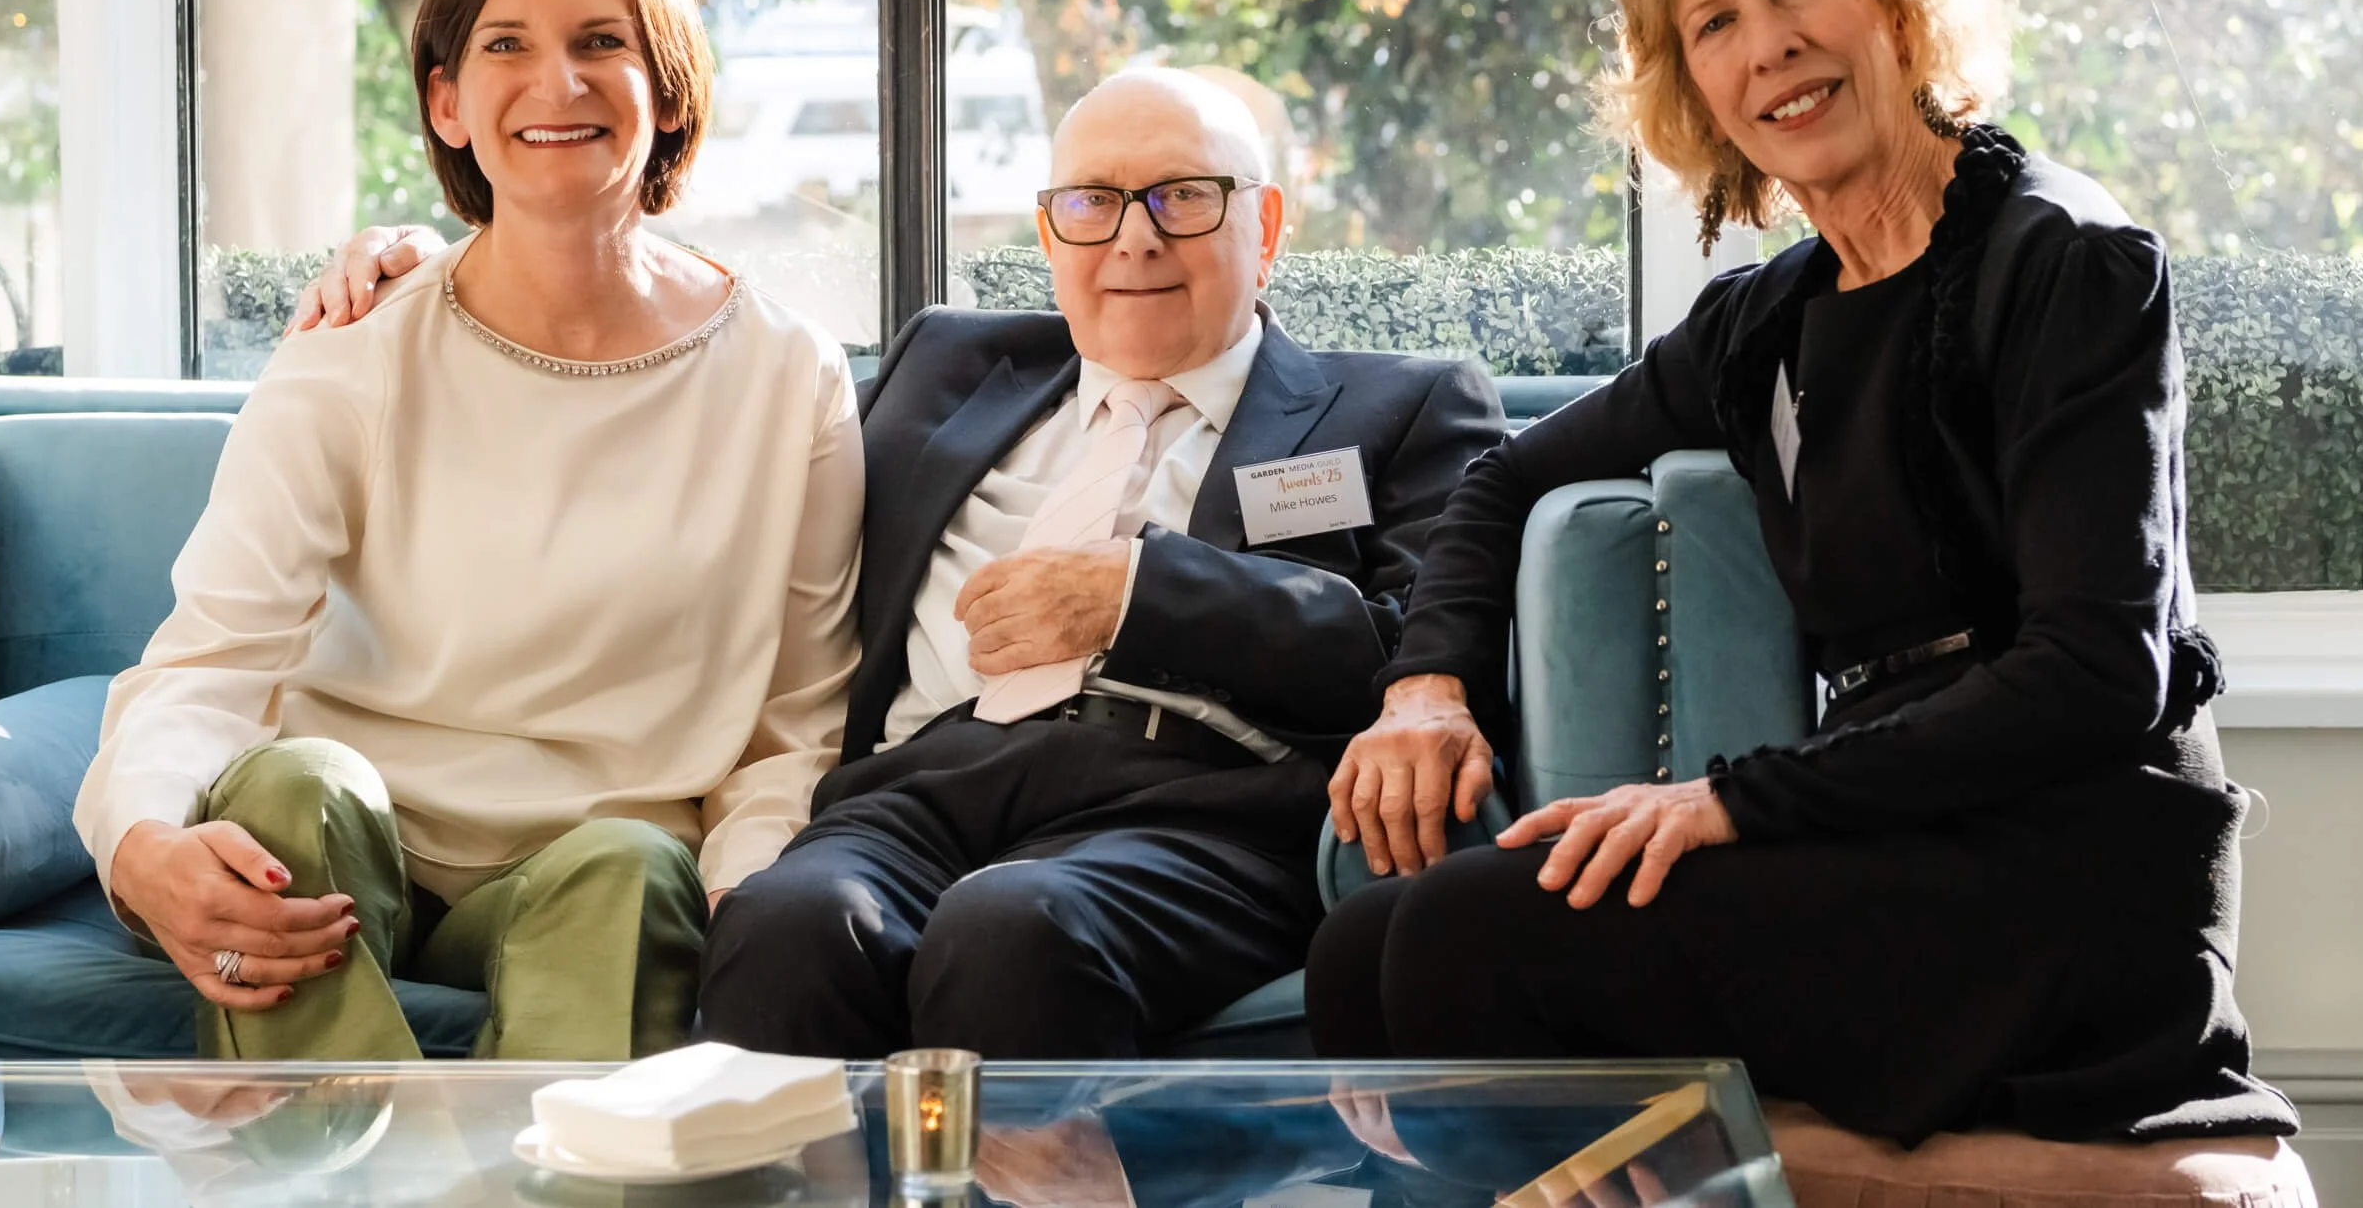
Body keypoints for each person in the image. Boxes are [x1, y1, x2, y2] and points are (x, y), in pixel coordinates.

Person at [1311, 0, 2299, 1146]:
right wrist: (1424, 683)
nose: (1765, 41)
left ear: (1895, 0)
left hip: (2066, 868)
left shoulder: (2067, 258)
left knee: (1452, 936)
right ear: (1696, 89)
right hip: (1877, 828)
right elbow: (1499, 479)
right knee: (1360, 940)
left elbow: (2095, 668)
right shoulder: (1764, 319)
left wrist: (1728, 800)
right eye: (1713, 19)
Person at [296, 67, 1507, 1058]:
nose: (1132, 238)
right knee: (783, 917)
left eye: (1183, 197)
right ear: (1049, 230)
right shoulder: (951, 365)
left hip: (1191, 808)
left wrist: (1137, 592)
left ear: (1266, 224)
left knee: (1014, 924)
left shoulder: (1397, 405)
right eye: (1090, 202)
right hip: (918, 790)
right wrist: (447, 268)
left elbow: (1414, 646)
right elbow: (678, 367)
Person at [74, 0, 863, 1060]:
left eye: (604, 43)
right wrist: (138, 842)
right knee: (296, 783)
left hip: (593, 864)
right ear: (448, 101)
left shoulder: (788, 377)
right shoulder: (358, 344)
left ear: (669, 90)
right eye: (508, 45)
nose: (559, 83)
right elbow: (212, 657)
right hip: (346, 838)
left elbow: (795, 728)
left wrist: (745, 892)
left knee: (635, 865)